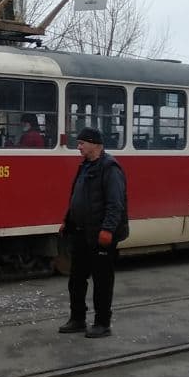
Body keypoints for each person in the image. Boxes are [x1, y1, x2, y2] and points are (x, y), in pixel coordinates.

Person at [58, 126, 128, 338]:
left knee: (102, 281)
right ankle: (78, 318)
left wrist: (107, 230)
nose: (78, 147)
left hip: (100, 235)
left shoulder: (110, 168)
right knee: (76, 278)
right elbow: (77, 197)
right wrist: (67, 220)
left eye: (81, 143)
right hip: (81, 232)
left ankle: (102, 323)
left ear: (94, 144)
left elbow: (115, 204)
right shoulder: (86, 166)